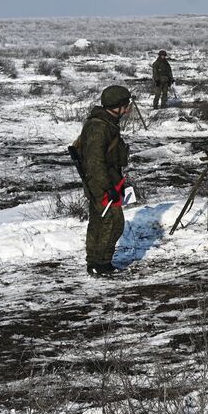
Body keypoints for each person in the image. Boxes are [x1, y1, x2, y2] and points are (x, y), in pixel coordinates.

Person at [74, 85, 132, 276]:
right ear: (116, 106)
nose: (128, 109)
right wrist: (108, 188)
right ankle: (101, 263)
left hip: (109, 180)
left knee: (100, 222)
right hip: (102, 184)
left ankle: (96, 263)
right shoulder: (100, 127)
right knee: (113, 222)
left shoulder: (107, 123)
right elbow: (95, 162)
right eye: (125, 105)